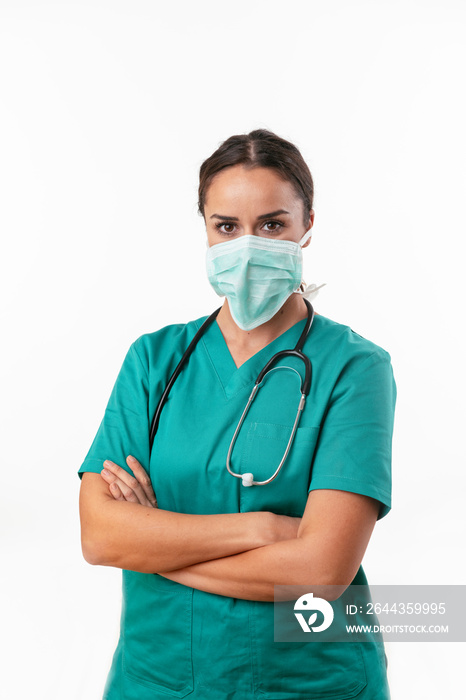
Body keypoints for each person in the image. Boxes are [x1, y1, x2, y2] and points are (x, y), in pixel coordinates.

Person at [78, 128, 397, 700]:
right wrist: (261, 530)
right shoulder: (155, 361)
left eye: (272, 224)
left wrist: (154, 549)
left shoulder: (355, 368)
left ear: (307, 225)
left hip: (307, 680)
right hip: (157, 677)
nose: (247, 246)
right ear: (204, 227)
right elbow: (101, 536)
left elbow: (320, 574)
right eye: (227, 227)